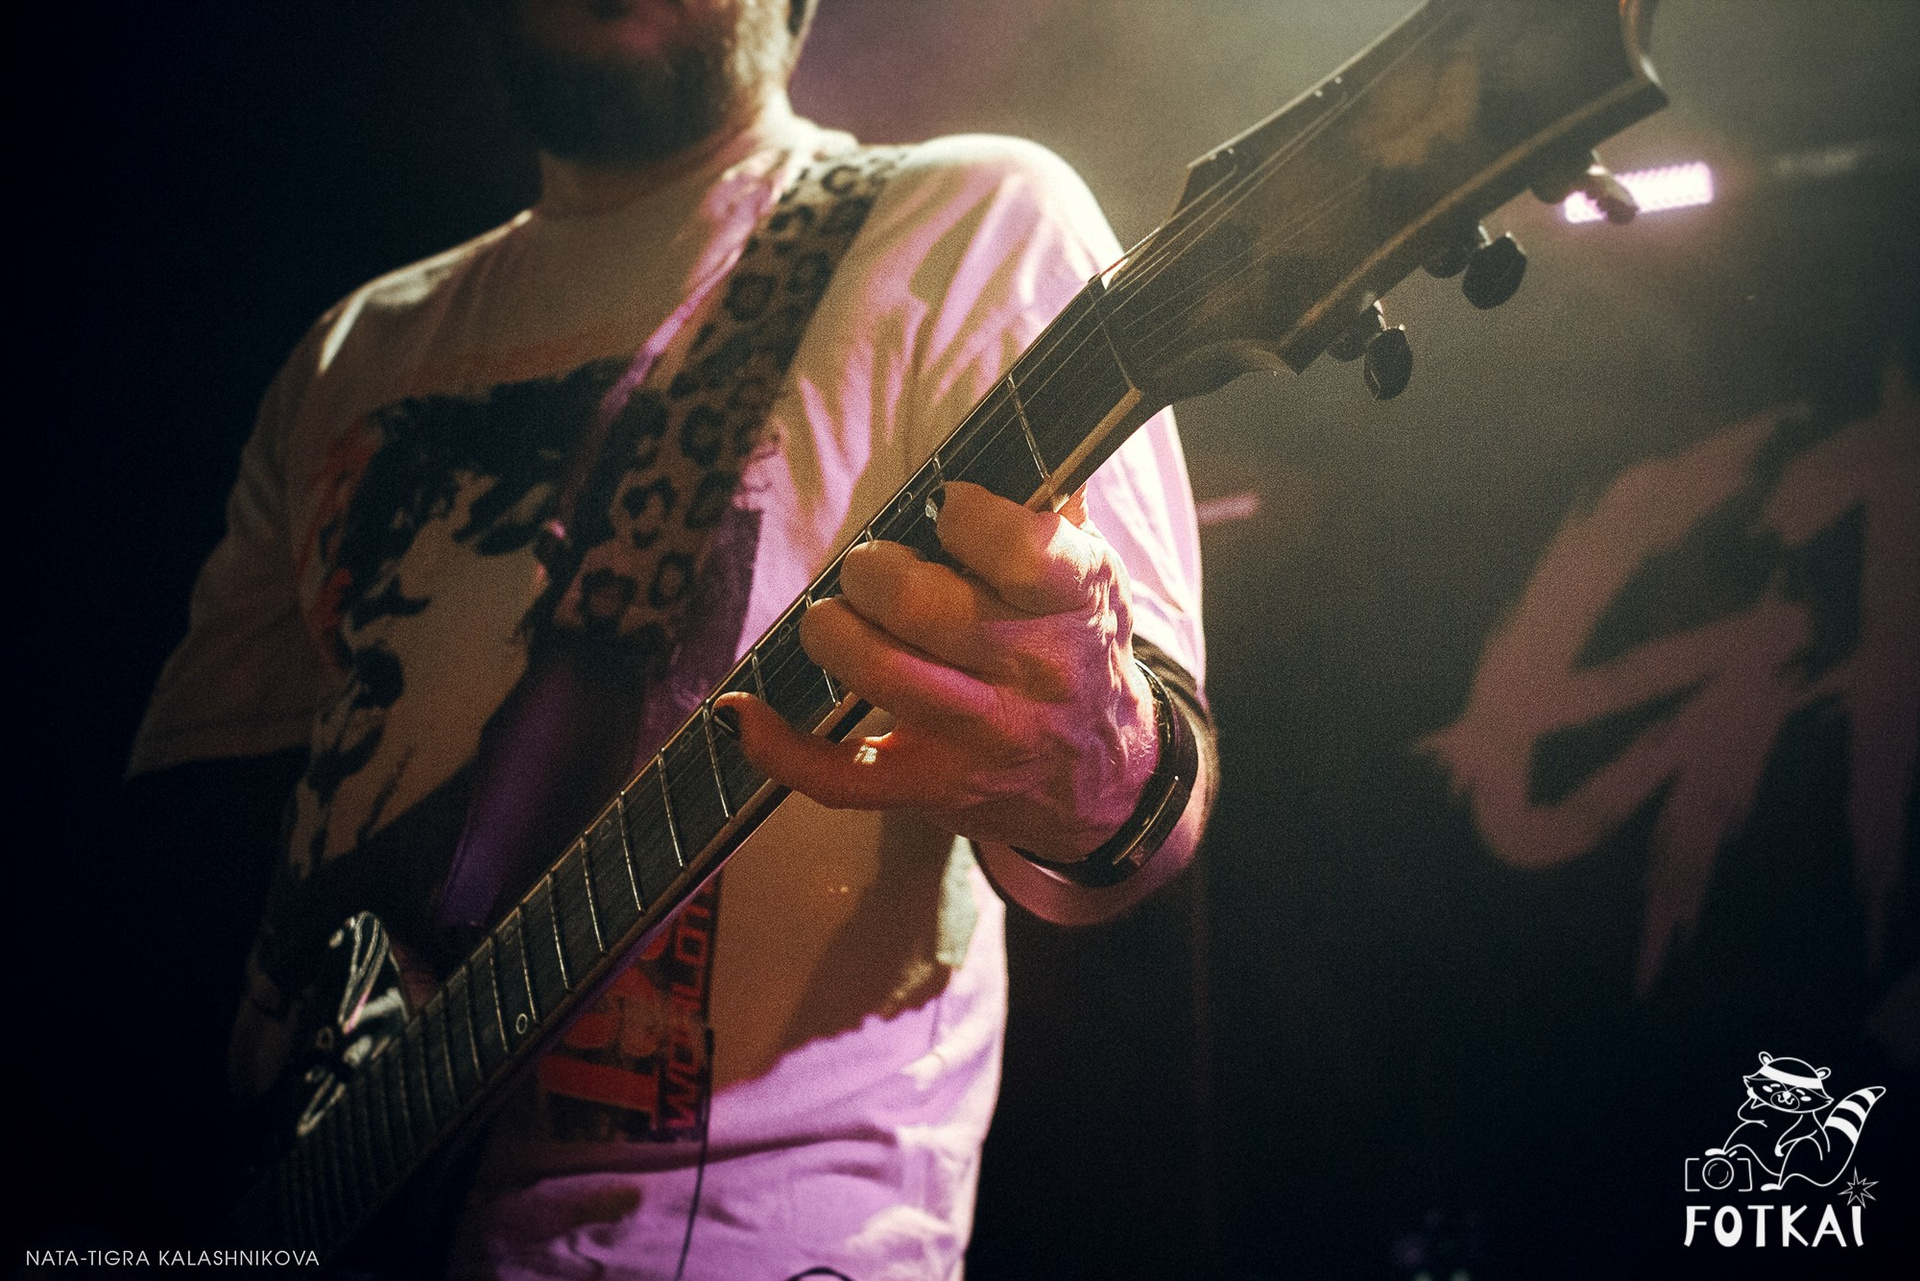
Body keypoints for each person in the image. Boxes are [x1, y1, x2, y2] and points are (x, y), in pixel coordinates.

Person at [129, 0, 1214, 1275]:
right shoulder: (353, 348)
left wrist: (1099, 757)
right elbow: (185, 855)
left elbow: (1147, 803)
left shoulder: (970, 224)